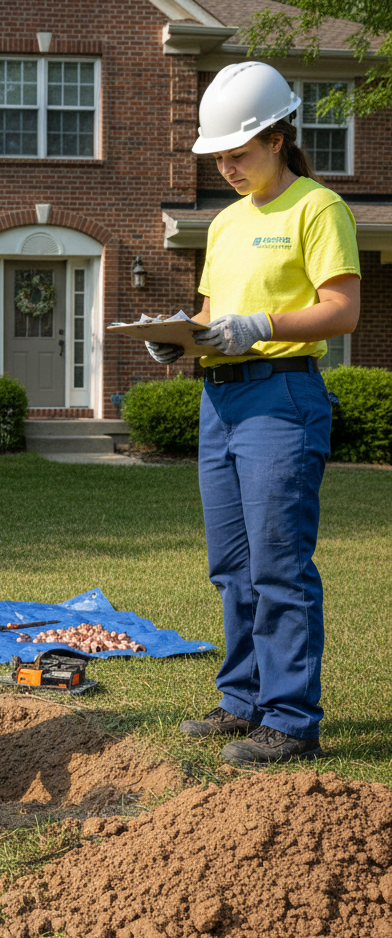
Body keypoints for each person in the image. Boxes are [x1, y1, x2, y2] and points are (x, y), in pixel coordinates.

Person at [147, 62, 360, 765]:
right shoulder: (225, 223)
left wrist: (260, 323)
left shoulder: (317, 207)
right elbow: (213, 315)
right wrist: (181, 338)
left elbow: (342, 310)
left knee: (278, 564)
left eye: (238, 154)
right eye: (219, 159)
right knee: (232, 565)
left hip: (282, 396)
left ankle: (291, 720)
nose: (228, 169)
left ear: (276, 138)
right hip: (221, 399)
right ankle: (242, 700)